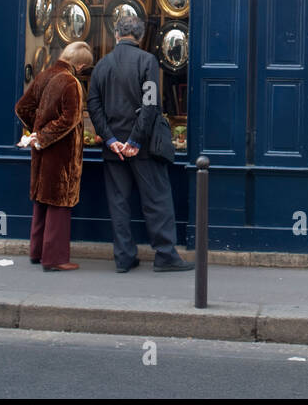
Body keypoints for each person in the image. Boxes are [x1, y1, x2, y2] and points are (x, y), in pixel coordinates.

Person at [87, 14, 193, 273]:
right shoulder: (147, 61)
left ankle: (124, 257)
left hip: (114, 151)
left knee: (119, 204)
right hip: (143, 148)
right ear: (140, 36)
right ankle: (165, 255)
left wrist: (111, 140)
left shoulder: (102, 65)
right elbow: (150, 104)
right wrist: (135, 140)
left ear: (116, 35)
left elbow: (93, 104)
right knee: (157, 201)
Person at [14, 41, 93, 272]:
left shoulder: (44, 74)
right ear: (79, 65)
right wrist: (44, 136)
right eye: (84, 67)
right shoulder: (71, 82)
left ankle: (37, 252)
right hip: (62, 154)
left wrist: (37, 132)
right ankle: (55, 259)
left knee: (42, 201)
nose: (83, 71)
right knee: (59, 202)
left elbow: (22, 108)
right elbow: (69, 119)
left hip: (41, 152)